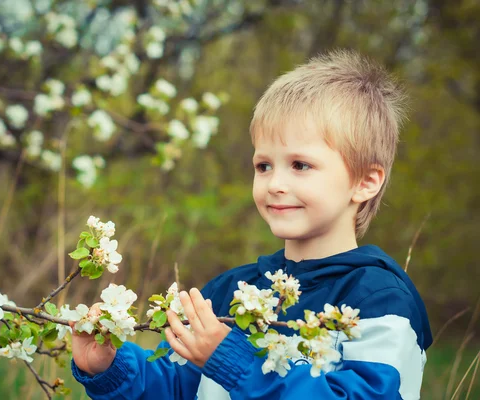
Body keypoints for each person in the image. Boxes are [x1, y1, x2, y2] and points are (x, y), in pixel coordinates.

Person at [69, 49, 433, 399]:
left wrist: (231, 360)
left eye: (300, 165)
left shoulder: (378, 299)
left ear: (365, 181)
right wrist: (110, 367)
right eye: (264, 166)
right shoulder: (231, 292)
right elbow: (176, 387)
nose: (275, 183)